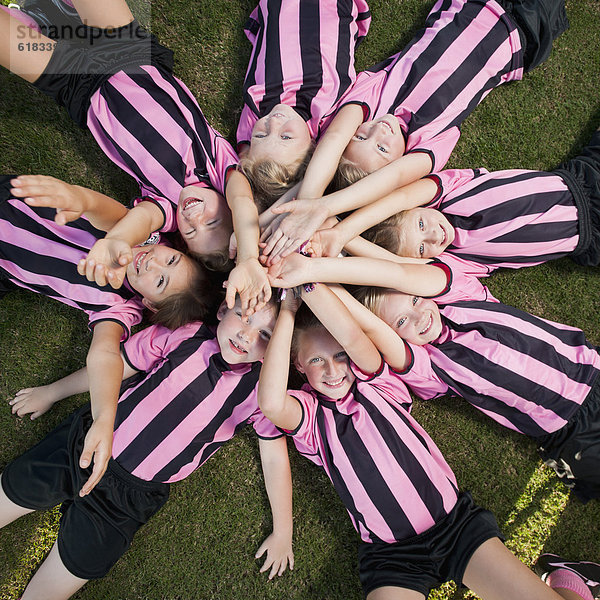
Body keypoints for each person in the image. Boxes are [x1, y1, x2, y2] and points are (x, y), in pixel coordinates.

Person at [257, 280, 599, 600]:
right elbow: (271, 402)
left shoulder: (379, 384)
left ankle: (571, 579)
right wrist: (287, 310)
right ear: (299, 366)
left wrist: (306, 284)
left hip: (457, 529)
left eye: (340, 355)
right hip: (392, 556)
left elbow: (352, 335)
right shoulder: (311, 418)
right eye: (316, 360)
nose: (333, 370)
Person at [2, 297, 294, 600]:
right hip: (84, 446)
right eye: (244, 317)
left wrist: (283, 530)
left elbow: (274, 459)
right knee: (11, 494)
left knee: (56, 584)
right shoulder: (186, 335)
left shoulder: (263, 394)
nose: (247, 336)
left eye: (265, 335)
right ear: (221, 310)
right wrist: (52, 392)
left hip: (127, 499)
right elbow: (116, 366)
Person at [267, 251, 600, 502]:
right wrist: (309, 283)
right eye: (401, 323)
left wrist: (317, 265)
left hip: (593, 370)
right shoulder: (430, 367)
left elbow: (397, 271)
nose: (418, 316)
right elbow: (367, 329)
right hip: (569, 432)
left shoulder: (463, 296)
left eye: (414, 301)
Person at [260, 0, 569, 263]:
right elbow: (391, 180)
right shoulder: (430, 140)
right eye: (382, 149)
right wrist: (323, 211)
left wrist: (309, 202)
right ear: (397, 163)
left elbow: (335, 137)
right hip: (523, 31)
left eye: (362, 136)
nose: (378, 132)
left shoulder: (376, 95)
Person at [1, 173, 217, 497]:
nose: (153, 264)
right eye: (171, 260)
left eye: (160, 282)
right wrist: (82, 200)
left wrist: (104, 418)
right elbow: (111, 214)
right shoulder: (143, 238)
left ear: (149, 304)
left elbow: (105, 355)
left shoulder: (119, 305)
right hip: (17, 201)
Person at [0, 0, 238, 272]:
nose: (195, 218)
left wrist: (118, 239)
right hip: (130, 52)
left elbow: (143, 221)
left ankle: (43, 23)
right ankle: (56, 18)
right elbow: (244, 204)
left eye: (192, 232)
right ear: (228, 203)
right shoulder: (220, 167)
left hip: (79, 86)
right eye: (213, 221)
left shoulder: (166, 208)